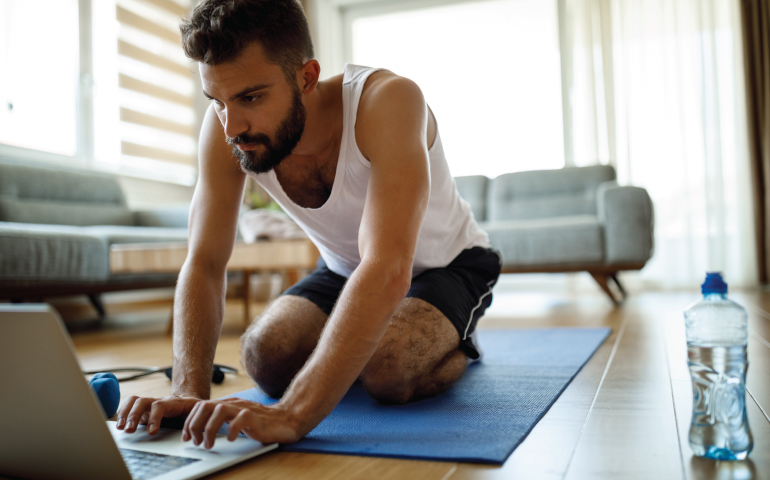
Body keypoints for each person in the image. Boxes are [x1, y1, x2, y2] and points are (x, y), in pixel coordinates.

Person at [115, 0, 500, 449]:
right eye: (217, 101)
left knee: (388, 368)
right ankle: (362, 348)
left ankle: (457, 339)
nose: (231, 126)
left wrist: (294, 413)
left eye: (251, 97)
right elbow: (204, 263)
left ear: (307, 77)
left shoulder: (388, 101)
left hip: (448, 266)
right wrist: (187, 390)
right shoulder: (227, 127)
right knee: (265, 355)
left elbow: (388, 267)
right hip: (345, 270)